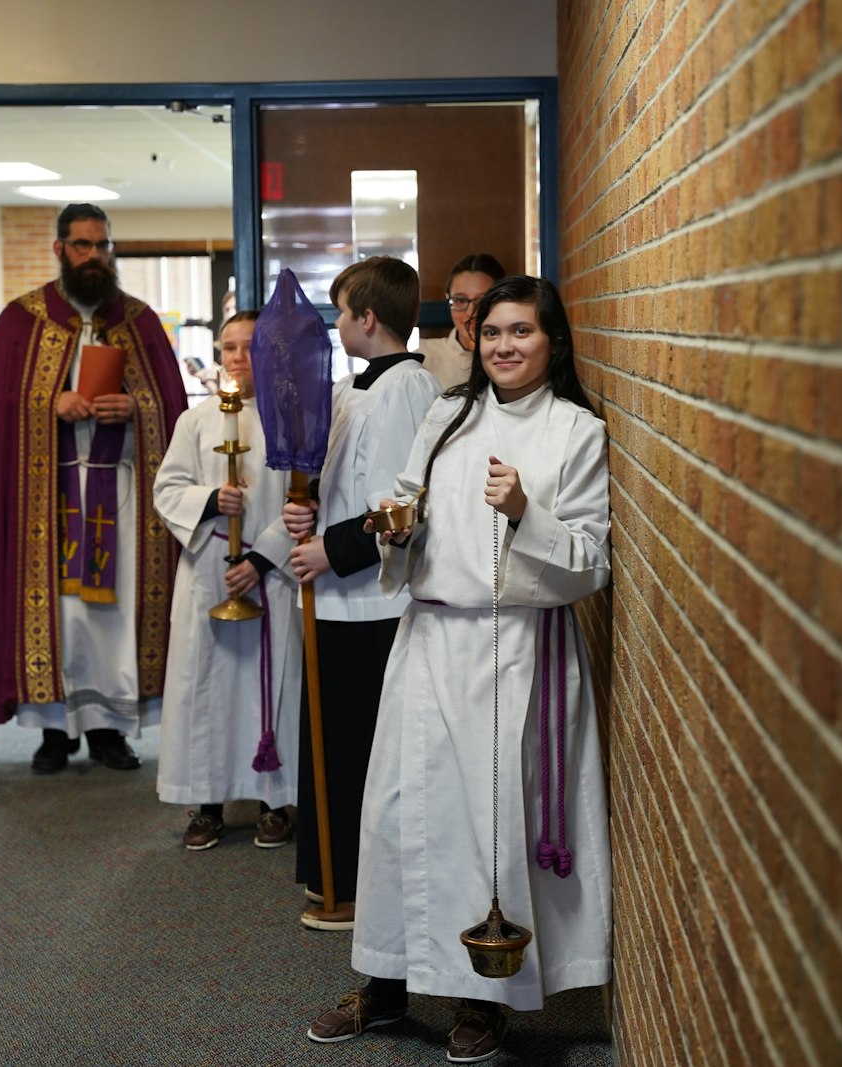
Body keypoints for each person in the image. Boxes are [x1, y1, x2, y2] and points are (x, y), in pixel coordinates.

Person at [307, 276, 612, 1064]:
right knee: (397, 817)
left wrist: (523, 513)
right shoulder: (447, 413)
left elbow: (588, 562)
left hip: (510, 652)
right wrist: (393, 524)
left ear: (552, 343)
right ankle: (381, 986)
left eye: (523, 333)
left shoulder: (575, 431)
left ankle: (486, 998)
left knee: (485, 827)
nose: (505, 345)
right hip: (427, 639)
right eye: (495, 332)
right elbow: (406, 501)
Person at [0, 203, 189, 774]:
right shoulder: (22, 320)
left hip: (123, 492)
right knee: (63, 613)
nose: (94, 256)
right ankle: (54, 730)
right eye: (82, 245)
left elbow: (171, 405)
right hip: (48, 500)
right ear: (59, 249)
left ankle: (110, 727)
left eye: (102, 245)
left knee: (113, 614)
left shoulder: (139, 320)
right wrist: (48, 404)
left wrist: (136, 406)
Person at [282, 256, 440, 930]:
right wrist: (303, 511)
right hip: (333, 596)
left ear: (368, 319)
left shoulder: (410, 389)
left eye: (343, 311)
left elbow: (407, 502)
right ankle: (332, 874)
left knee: (360, 748)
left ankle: (361, 886)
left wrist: (334, 547)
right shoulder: (353, 390)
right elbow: (340, 480)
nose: (338, 322)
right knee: (332, 741)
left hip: (372, 598)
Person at [153, 311, 300, 850]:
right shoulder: (196, 422)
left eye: (250, 347)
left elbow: (302, 501)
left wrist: (262, 559)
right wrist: (212, 500)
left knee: (269, 686)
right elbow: (167, 490)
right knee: (205, 689)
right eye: (229, 348)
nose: (238, 358)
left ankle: (273, 801)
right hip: (209, 568)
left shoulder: (292, 419)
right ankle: (206, 802)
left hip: (267, 574)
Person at [416, 253, 506, 391]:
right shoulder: (425, 358)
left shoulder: (513, 356)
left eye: (482, 301)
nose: (471, 312)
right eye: (460, 300)